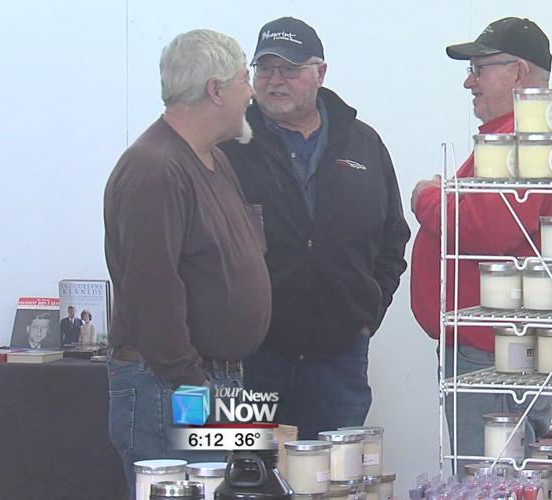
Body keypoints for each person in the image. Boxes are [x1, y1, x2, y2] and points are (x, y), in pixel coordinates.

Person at [220, 17, 410, 440]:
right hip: (250, 357)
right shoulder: (229, 146)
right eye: (265, 69)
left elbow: (393, 237)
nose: (275, 81)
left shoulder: (363, 143)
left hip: (338, 358)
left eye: (289, 69)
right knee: (246, 475)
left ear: (320, 73)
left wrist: (367, 312)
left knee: (333, 479)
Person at [104, 29, 271, 493]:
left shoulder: (213, 160)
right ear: (216, 90)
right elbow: (151, 292)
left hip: (212, 382)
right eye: (244, 80)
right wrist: (194, 389)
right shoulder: (154, 169)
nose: (252, 93)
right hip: (173, 387)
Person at [410, 17, 552, 471]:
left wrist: (428, 198)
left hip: (491, 349)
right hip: (500, 342)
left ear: (518, 72)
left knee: (487, 478)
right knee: (515, 473)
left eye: (479, 69)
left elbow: (490, 230)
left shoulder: (522, 138)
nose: (468, 81)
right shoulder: (523, 134)